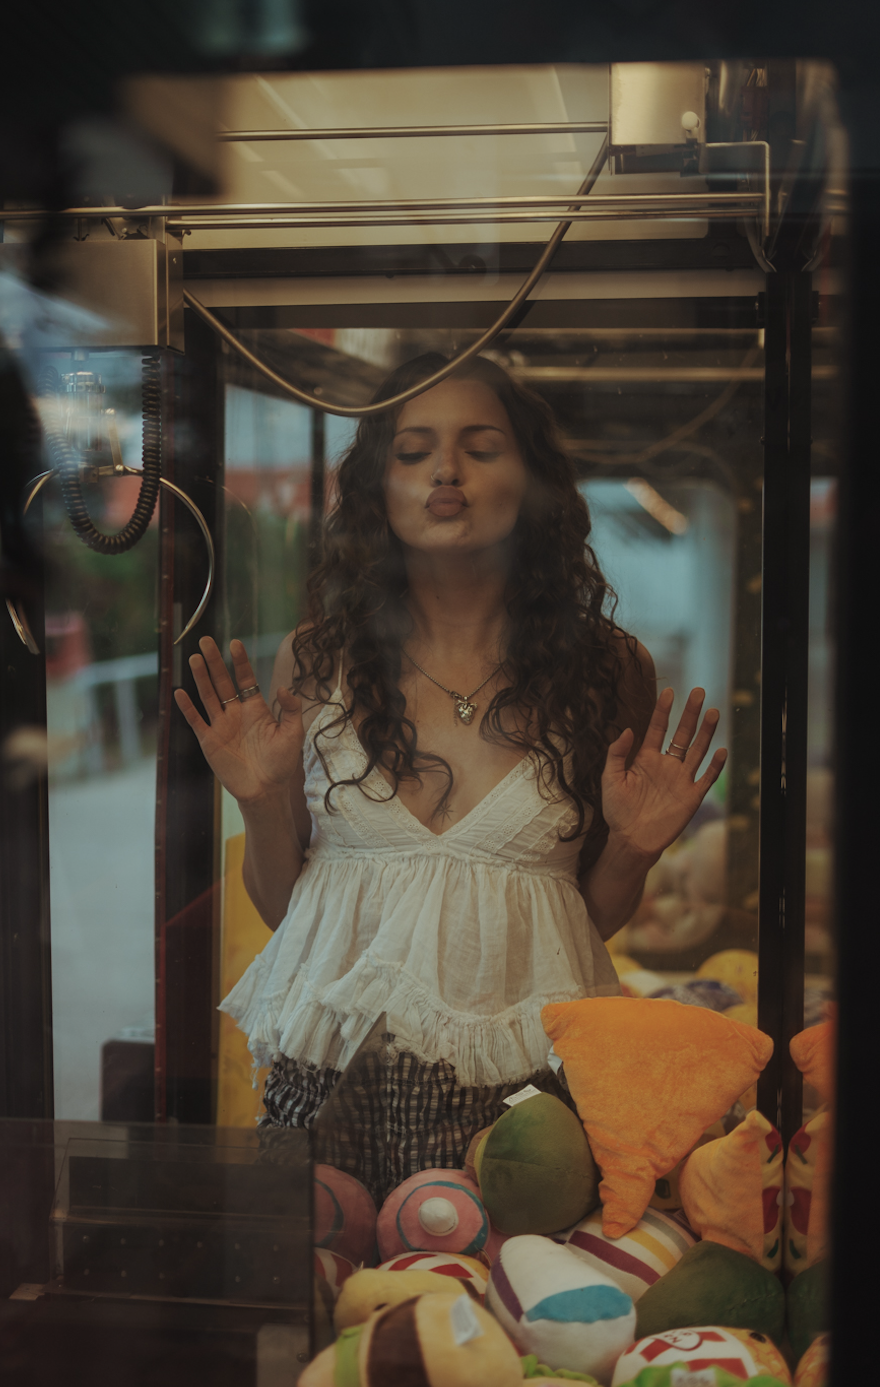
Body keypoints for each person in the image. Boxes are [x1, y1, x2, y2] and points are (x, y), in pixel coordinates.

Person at [175, 354, 727, 1199]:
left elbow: (581, 921)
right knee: (335, 1307)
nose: (446, 471)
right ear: (378, 489)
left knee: (502, 1311)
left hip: (526, 1107)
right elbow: (291, 911)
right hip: (333, 1089)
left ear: (531, 479)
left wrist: (636, 852)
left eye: (481, 447)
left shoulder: (607, 670)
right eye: (414, 451)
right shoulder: (316, 661)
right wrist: (258, 798)